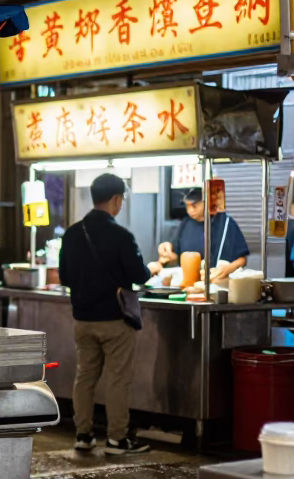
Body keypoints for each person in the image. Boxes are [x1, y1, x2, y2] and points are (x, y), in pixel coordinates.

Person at [59, 174, 156, 456]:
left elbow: (64, 276)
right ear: (115, 199)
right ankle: (116, 439)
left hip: (83, 320)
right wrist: (152, 269)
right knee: (117, 380)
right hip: (114, 320)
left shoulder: (73, 233)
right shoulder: (121, 236)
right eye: (121, 199)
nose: (121, 204)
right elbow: (140, 275)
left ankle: (84, 435)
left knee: (85, 376)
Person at [156, 187, 249, 284]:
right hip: (190, 285)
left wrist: (228, 269)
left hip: (219, 284)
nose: (190, 210)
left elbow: (242, 259)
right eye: (187, 206)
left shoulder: (225, 223)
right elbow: (175, 255)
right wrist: (166, 253)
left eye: (194, 205)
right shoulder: (185, 223)